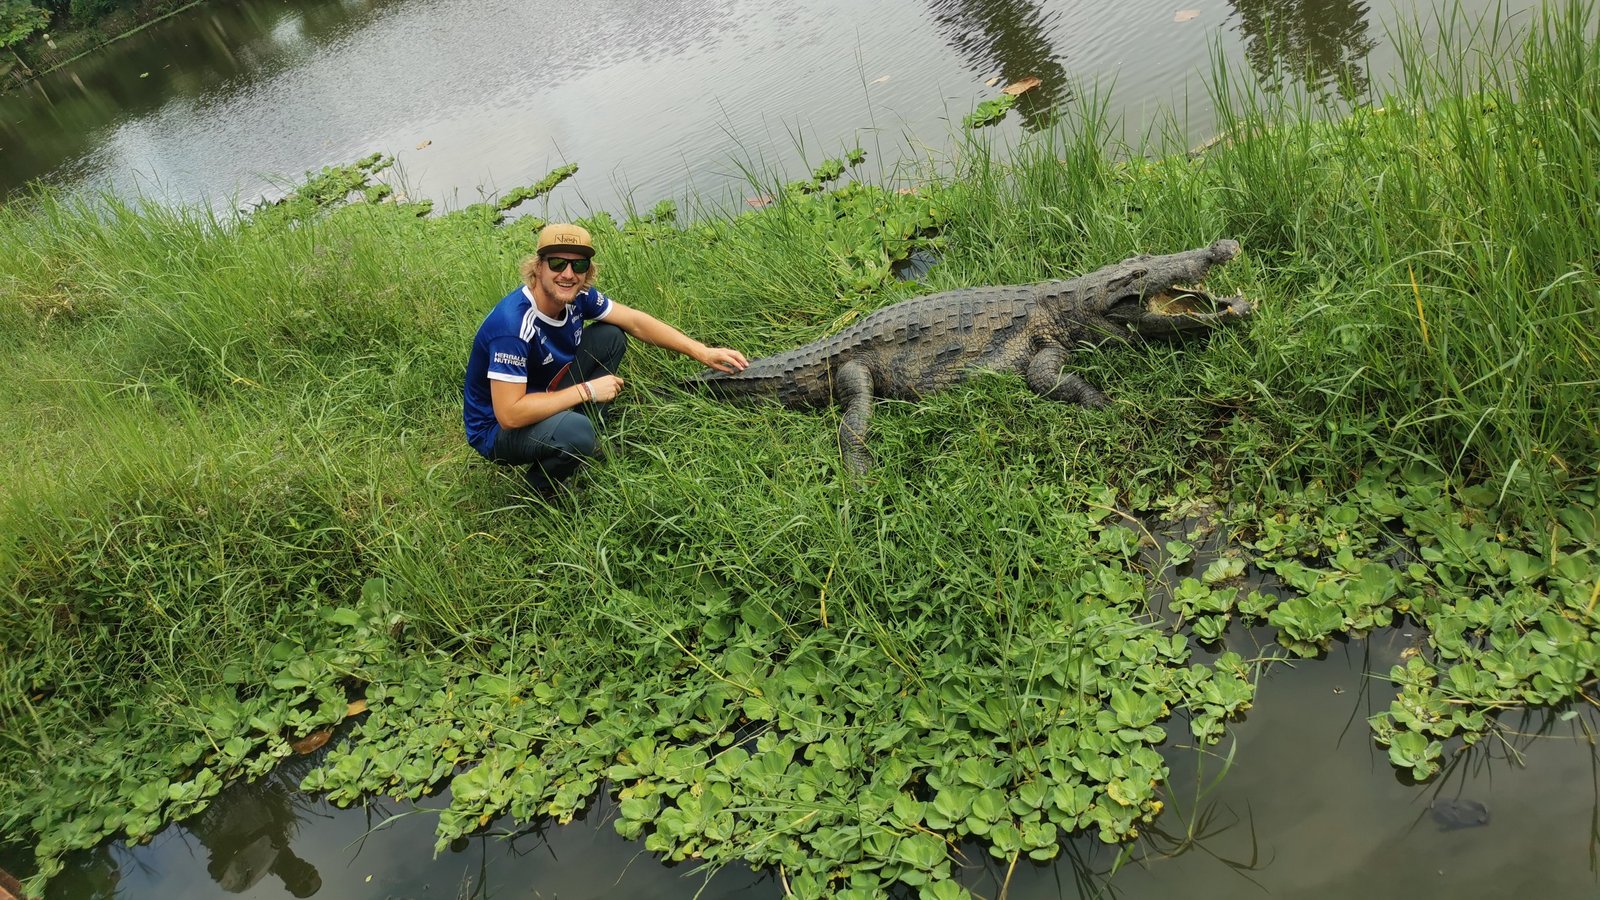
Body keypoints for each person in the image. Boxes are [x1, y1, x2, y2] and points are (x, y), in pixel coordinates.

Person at [463, 223, 748, 495]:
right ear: (538, 267)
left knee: (611, 334)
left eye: (579, 265)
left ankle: (590, 434)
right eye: (558, 263)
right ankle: (543, 487)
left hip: (545, 390)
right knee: (576, 432)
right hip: (497, 430)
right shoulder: (512, 327)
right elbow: (510, 414)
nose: (568, 274)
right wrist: (587, 391)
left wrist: (702, 351)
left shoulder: (578, 296)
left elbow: (635, 321)